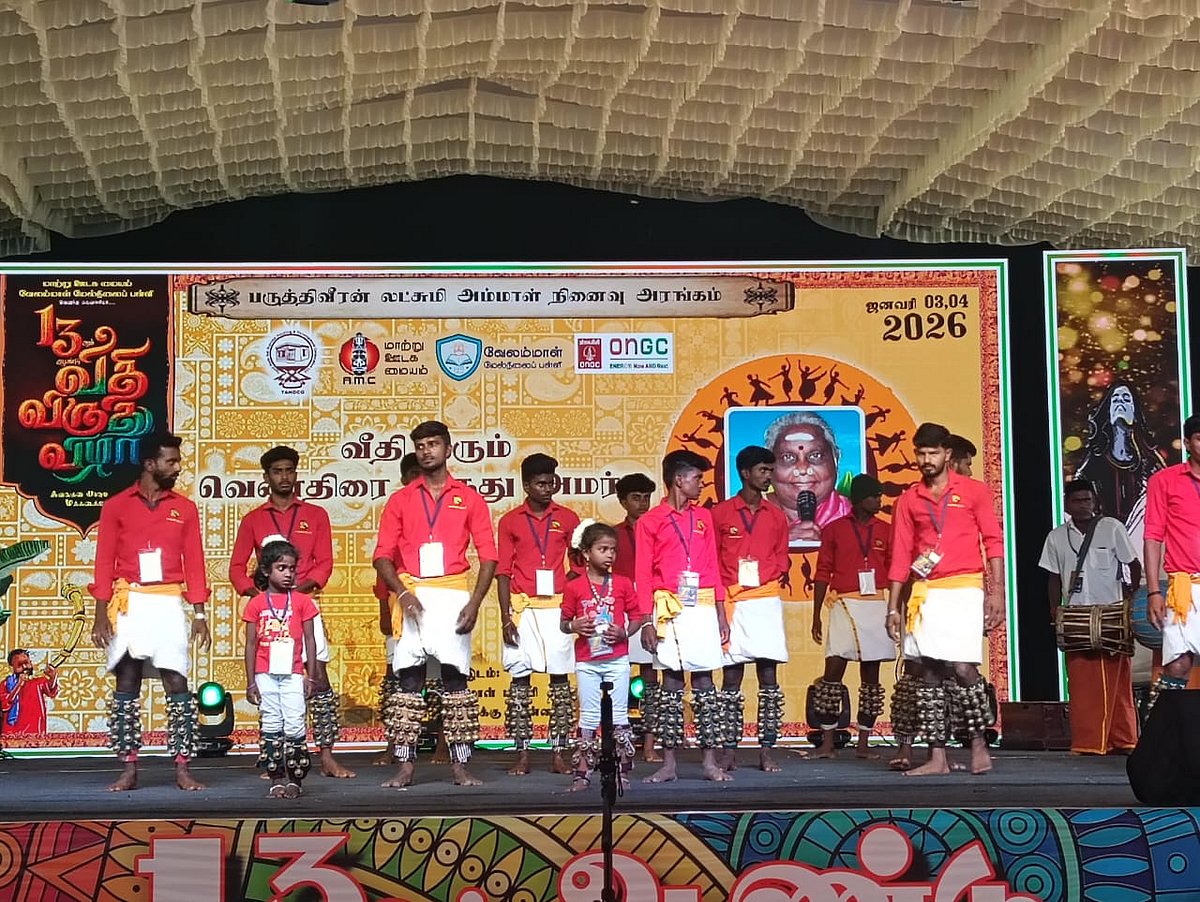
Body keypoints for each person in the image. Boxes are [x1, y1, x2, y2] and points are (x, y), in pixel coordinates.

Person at [373, 420, 497, 787]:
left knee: (455, 682)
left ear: (448, 449)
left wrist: (475, 602)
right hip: (413, 593)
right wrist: (402, 592)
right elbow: (382, 556)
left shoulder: (469, 497)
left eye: (433, 444)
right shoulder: (401, 499)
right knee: (408, 681)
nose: (426, 451)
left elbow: (489, 556)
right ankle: (406, 766)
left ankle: (460, 766)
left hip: (454, 594)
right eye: (420, 445)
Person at [89, 432, 210, 792]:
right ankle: (128, 768)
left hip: (168, 600)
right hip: (130, 599)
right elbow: (104, 560)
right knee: (127, 680)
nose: (178, 467)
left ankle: (183, 767)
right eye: (171, 461)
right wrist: (100, 613)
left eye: (177, 461)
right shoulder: (116, 506)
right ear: (149, 464)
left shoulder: (184, 508)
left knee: (177, 681)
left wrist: (200, 614)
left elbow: (195, 562)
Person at [885, 422, 1004, 776]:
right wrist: (893, 607)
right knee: (930, 672)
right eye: (920, 453)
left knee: (964, 667)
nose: (926, 460)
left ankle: (979, 743)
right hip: (926, 591)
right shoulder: (909, 499)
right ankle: (937, 757)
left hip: (965, 586)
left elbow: (993, 541)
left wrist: (997, 592)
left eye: (933, 453)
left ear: (947, 454)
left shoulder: (973, 491)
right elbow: (900, 555)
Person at [228, 446, 354, 779]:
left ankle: (327, 756)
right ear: (266, 477)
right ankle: (275, 759)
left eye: (289, 470)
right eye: (277, 471)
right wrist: (259, 596)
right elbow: (237, 568)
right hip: (269, 615)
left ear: (296, 474)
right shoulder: (254, 519)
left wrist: (299, 591)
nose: (284, 477)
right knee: (271, 683)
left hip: (305, 606)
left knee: (319, 678)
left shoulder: (315, 515)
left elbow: (324, 563)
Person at [636, 449, 730, 783]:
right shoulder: (650, 521)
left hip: (702, 606)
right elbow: (642, 573)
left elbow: (714, 566)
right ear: (679, 480)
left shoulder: (703, 517)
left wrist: (721, 612)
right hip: (669, 608)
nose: (702, 484)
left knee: (705, 683)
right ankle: (669, 763)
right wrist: (647, 621)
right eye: (697, 478)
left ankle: (709, 762)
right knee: (671, 685)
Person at [1038, 480, 1139, 754]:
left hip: (1111, 613)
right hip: (1076, 615)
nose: (1084, 505)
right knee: (1082, 682)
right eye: (1078, 500)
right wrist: (1055, 609)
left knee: (1117, 678)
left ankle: (1123, 739)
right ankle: (1089, 742)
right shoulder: (1056, 537)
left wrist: (1132, 599)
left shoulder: (1112, 527)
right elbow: (1053, 578)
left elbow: (1133, 564)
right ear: (1067, 504)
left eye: (1088, 500)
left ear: (1095, 501)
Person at [496, 453, 581, 776]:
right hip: (523, 608)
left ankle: (559, 752)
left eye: (551, 482)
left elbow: (579, 563)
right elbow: (503, 572)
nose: (548, 489)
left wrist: (567, 588)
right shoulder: (510, 521)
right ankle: (522, 754)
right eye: (541, 483)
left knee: (560, 680)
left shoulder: (568, 518)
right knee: (520, 681)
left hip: (557, 607)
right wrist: (506, 617)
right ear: (526, 485)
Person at [712, 445, 791, 772]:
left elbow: (783, 554)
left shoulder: (776, 514)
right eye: (763, 470)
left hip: (766, 598)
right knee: (731, 678)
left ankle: (767, 749)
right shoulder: (720, 513)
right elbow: (712, 560)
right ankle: (729, 749)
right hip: (733, 600)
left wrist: (776, 569)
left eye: (771, 470)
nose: (769, 476)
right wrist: (719, 603)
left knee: (768, 677)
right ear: (745, 473)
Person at [374, 453, 451, 766]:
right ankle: (395, 745)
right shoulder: (399, 507)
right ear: (405, 479)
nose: (420, 480)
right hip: (402, 605)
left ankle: (444, 745)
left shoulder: (443, 510)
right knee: (398, 680)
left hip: (440, 601)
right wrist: (385, 606)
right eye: (414, 475)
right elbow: (384, 560)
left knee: (444, 677)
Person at [811, 474, 893, 759]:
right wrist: (816, 615)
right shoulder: (834, 529)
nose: (879, 501)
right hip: (843, 604)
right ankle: (827, 743)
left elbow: (895, 571)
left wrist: (897, 609)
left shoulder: (886, 530)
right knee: (833, 673)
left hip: (876, 605)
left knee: (871, 679)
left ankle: (864, 744)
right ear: (859, 499)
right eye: (874, 496)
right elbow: (823, 572)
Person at [561, 521, 642, 791]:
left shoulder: (622, 583)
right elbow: (563, 623)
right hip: (588, 661)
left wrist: (624, 632)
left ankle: (621, 772)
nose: (609, 555)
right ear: (586, 552)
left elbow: (637, 616)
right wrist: (574, 626)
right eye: (603, 549)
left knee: (619, 715)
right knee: (588, 715)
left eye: (613, 550)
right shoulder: (574, 586)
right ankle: (582, 773)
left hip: (617, 659)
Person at [243, 540, 320, 798]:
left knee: (296, 723)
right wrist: (251, 682)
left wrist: (312, 676)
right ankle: (276, 779)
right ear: (266, 571)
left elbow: (310, 640)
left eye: (292, 568)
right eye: (281, 568)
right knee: (271, 722)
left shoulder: (302, 602)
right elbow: (251, 644)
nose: (288, 574)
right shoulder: (256, 604)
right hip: (265, 673)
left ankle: (295, 780)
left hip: (293, 672)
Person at [1145, 413, 1200, 702]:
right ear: (1188, 443)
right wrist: (1154, 591)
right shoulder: (1164, 480)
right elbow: (1153, 537)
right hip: (1184, 588)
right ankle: (1165, 728)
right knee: (1178, 665)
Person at [612, 472, 660, 762]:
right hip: (620, 606)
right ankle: (619, 741)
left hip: (652, 603)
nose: (642, 503)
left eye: (646, 498)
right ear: (622, 501)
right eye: (635, 498)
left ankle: (651, 743)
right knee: (618, 674)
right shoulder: (613, 535)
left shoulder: (658, 528)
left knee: (650, 677)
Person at [763, 411, 851, 546]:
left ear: (836, 459)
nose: (803, 469)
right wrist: (780, 542)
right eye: (788, 457)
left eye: (815, 455)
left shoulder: (852, 515)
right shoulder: (745, 516)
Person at [1, 650, 59, 735]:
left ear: (30, 662)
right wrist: (19, 685)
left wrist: (53, 677)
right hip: (12, 732)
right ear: (12, 667)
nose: (24, 667)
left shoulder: (38, 682)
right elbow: (4, 705)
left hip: (35, 730)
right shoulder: (6, 684)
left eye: (26, 663)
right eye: (19, 665)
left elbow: (52, 692)